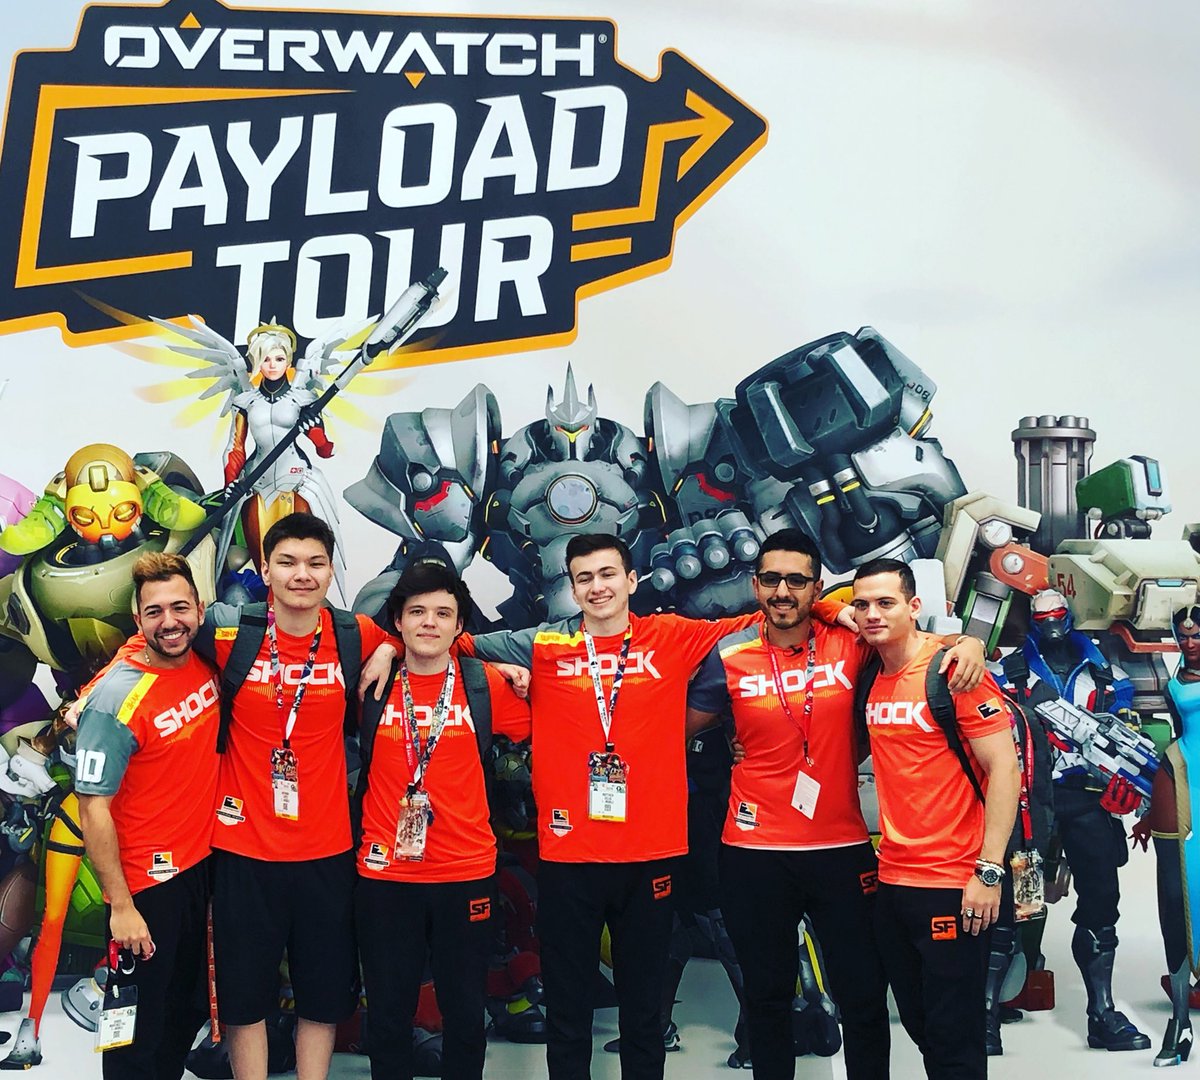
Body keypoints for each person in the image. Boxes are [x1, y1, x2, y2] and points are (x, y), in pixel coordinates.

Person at [363, 531, 977, 1080]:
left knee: (645, 1013)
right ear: (571, 588)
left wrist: (846, 608)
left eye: (609, 574)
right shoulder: (542, 644)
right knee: (571, 1011)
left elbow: (773, 609)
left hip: (655, 855)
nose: (598, 587)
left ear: (632, 580)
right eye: (584, 578)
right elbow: (447, 639)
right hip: (570, 856)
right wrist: (389, 646)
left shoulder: (674, 636)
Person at [686, 530, 986, 1080]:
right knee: (766, 999)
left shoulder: (851, 641)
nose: (782, 591)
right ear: (754, 585)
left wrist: (969, 643)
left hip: (841, 850)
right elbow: (678, 730)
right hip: (753, 852)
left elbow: (913, 641)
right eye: (771, 579)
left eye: (796, 580)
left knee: (863, 996)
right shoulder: (729, 654)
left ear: (817, 588)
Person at [192, 512, 394, 1080]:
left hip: (326, 850)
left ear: (330, 572)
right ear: (265, 570)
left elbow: (421, 638)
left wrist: (388, 650)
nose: (301, 574)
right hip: (243, 849)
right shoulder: (232, 630)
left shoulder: (354, 634)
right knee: (244, 996)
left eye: (315, 563)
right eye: (287, 562)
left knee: (322, 995)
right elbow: (159, 636)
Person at [354, 561, 532, 1080]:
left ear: (459, 626)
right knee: (388, 1013)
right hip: (386, 875)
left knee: (465, 1012)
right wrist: (386, 651)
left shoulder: (486, 685)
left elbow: (555, 726)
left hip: (465, 873)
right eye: (416, 612)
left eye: (442, 613)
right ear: (398, 621)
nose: (429, 623)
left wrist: (516, 674)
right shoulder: (371, 682)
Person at [851, 558, 1020, 1080]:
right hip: (894, 879)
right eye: (862, 604)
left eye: (886, 603)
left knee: (954, 1038)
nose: (873, 614)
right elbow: (819, 609)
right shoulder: (872, 675)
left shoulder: (953, 673)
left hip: (954, 881)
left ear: (914, 606)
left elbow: (1005, 769)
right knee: (922, 1024)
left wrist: (988, 872)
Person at [72, 552, 219, 1080]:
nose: (169, 622)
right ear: (138, 620)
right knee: (133, 1031)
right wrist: (121, 906)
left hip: (199, 871)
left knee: (185, 1013)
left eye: (179, 607)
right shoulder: (114, 699)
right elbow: (92, 807)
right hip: (145, 889)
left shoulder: (204, 660)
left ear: (199, 609)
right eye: (154, 612)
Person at [999, 587, 1150, 1052]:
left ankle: (1101, 1011)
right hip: (1030, 805)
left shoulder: (1106, 674)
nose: (1051, 625)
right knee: (1020, 900)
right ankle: (988, 1009)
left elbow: (1127, 735)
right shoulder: (1010, 671)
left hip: (1088, 801)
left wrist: (1125, 787)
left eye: (1059, 615)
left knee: (1101, 902)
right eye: (1042, 617)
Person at [1137, 604, 1200, 1066]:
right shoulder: (1173, 673)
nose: (1190, 642)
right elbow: (1175, 731)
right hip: (1179, 779)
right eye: (1183, 635)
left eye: (1197, 635)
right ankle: (1179, 1021)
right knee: (1173, 896)